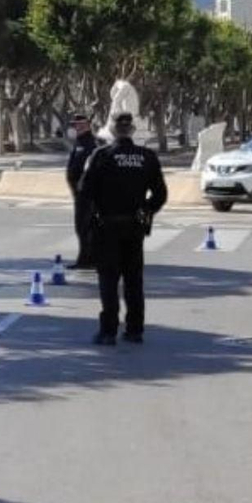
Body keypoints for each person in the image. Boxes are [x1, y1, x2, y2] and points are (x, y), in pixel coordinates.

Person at [76, 112, 167, 345]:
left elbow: (84, 190)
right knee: (133, 280)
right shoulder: (146, 157)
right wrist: (146, 210)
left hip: (106, 226)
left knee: (108, 280)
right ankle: (135, 329)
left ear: (113, 130)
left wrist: (90, 218)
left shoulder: (101, 155)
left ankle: (108, 331)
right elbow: (160, 194)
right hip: (134, 227)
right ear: (132, 130)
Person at [65, 113, 100, 268]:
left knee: (85, 226)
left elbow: (91, 168)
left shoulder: (91, 143)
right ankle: (87, 258)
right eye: (75, 124)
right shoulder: (79, 142)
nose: (77, 127)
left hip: (87, 193)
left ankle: (87, 260)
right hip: (79, 193)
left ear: (87, 125)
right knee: (82, 227)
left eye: (80, 124)